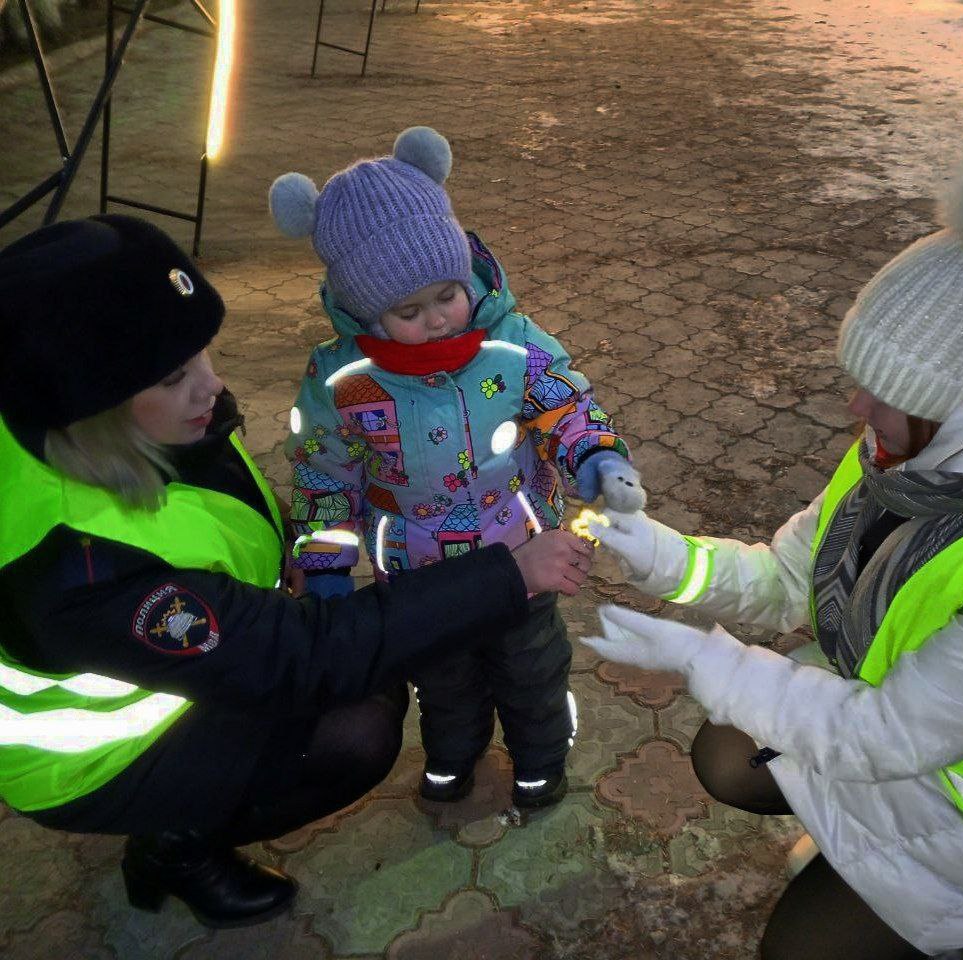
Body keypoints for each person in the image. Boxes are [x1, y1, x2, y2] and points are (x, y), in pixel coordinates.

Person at [582, 155, 963, 958]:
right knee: (729, 754)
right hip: (907, 730)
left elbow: (885, 737)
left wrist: (705, 660)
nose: (853, 406)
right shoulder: (905, 461)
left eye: (883, 392)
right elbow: (789, 578)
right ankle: (858, 856)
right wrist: (660, 556)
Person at [0, 214, 593, 929]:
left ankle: (533, 764)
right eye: (174, 375)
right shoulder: (80, 567)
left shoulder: (104, 424)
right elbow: (300, 655)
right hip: (88, 756)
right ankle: (176, 845)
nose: (213, 389)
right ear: (86, 404)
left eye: (202, 356)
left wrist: (313, 550)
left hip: (192, 659)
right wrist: (508, 576)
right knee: (356, 723)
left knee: (477, 670)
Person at [268, 126, 644, 808]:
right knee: (441, 679)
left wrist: (596, 456)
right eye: (407, 312)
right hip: (418, 578)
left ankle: (538, 763)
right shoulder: (342, 380)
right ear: (363, 311)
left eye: (447, 294)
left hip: (519, 556)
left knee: (531, 670)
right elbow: (325, 474)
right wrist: (322, 564)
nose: (437, 319)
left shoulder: (511, 344)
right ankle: (450, 758)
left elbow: (564, 405)